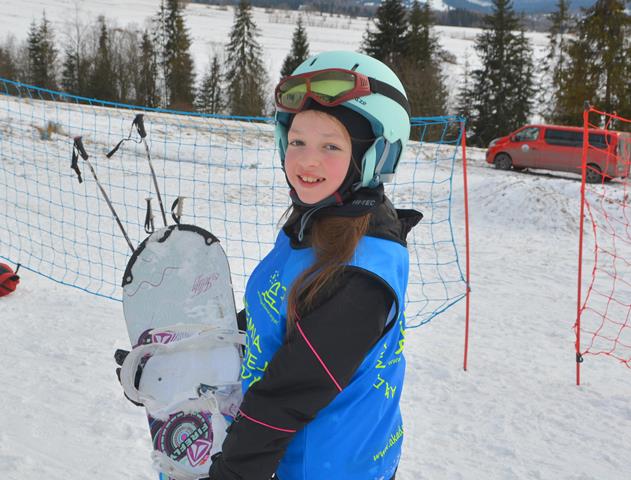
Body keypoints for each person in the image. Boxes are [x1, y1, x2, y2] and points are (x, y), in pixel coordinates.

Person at [204, 50, 422, 480]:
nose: (307, 160)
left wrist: (232, 474)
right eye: (298, 141)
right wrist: (190, 355)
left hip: (322, 468)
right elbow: (282, 311)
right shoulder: (317, 225)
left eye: (331, 146)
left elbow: (286, 396)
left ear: (375, 156)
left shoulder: (360, 276)